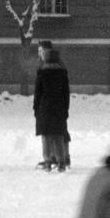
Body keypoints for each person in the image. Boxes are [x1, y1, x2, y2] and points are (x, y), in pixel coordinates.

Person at [33, 40, 71, 171]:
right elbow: (66, 92)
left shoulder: (42, 70)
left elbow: (38, 92)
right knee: (59, 134)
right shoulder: (62, 69)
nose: (39, 54)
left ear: (46, 52)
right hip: (59, 106)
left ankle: (48, 160)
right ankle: (61, 161)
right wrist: (66, 108)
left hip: (45, 106)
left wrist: (36, 108)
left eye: (41, 51)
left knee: (46, 135)